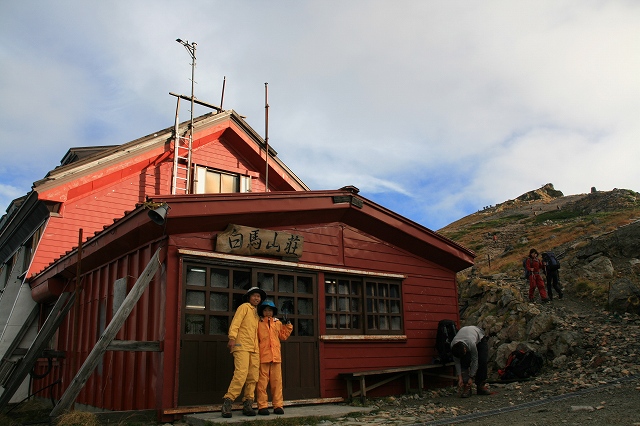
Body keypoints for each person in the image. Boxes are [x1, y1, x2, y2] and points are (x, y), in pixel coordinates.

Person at [221, 286, 266, 418]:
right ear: (249, 297)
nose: (257, 298)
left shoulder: (257, 314)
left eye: (259, 296)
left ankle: (248, 404)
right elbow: (236, 323)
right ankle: (228, 402)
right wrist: (232, 338)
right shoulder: (244, 307)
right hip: (241, 345)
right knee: (241, 374)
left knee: (253, 376)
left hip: (254, 348)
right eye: (254, 296)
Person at [256, 300, 293, 415]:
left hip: (276, 357)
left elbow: (283, 336)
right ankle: (262, 406)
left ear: (273, 311)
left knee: (277, 383)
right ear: (262, 311)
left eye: (270, 310)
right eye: (265, 310)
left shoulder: (277, 323)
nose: (268, 312)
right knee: (262, 383)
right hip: (263, 357)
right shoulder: (258, 323)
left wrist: (288, 325)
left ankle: (278, 405)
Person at [450, 325, 490, 397]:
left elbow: (475, 360)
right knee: (464, 362)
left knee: (482, 360)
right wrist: (460, 377)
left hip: (479, 336)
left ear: (465, 349)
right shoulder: (453, 345)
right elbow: (457, 362)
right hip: (465, 334)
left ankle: (480, 385)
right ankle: (466, 386)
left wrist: (471, 377)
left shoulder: (471, 343)